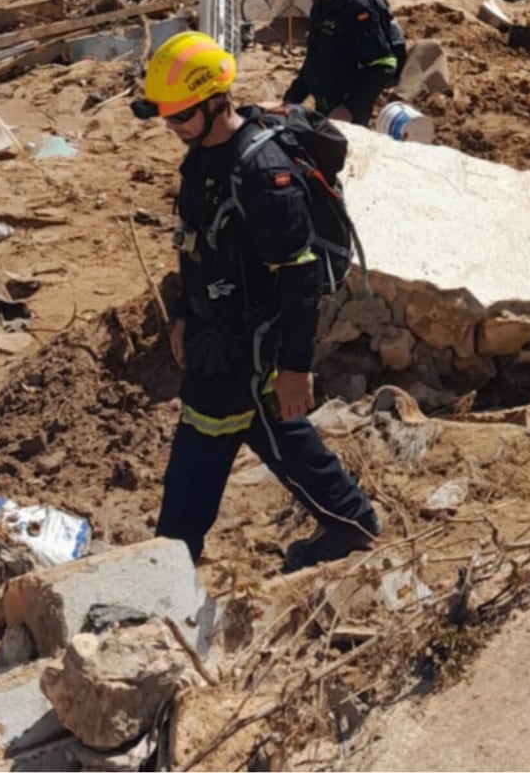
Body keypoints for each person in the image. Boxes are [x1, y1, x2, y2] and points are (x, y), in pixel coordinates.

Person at [136, 30, 381, 569]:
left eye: (178, 117)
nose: (170, 128)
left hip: (250, 342)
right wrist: (180, 313)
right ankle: (350, 521)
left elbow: (300, 277)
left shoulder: (264, 175)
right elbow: (193, 244)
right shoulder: (202, 154)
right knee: (272, 427)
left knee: (201, 442)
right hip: (215, 328)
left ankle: (170, 561)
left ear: (212, 102)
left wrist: (295, 368)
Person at [282, 0, 405, 127]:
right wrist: (291, 100)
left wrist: (350, 107)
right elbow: (314, 59)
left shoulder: (357, 6)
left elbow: (384, 63)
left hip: (347, 115)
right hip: (324, 108)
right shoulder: (321, 4)